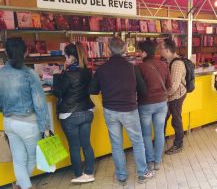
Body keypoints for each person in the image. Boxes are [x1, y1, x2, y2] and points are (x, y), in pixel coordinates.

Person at [88, 37, 154, 185]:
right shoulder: (133, 68)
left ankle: (121, 175)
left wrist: (104, 99)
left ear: (109, 49)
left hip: (110, 111)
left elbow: (92, 90)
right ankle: (142, 173)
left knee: (116, 144)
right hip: (130, 109)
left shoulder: (101, 69)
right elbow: (143, 90)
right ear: (124, 49)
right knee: (137, 142)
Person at [0, 37, 51, 189]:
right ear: (26, 52)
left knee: (18, 160)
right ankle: (25, 186)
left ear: (6, 53)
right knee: (33, 158)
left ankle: (21, 185)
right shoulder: (30, 73)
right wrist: (45, 126)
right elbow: (39, 103)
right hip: (29, 123)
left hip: (9, 122)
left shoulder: (0, 74)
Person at [52, 43, 95, 183]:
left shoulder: (67, 75)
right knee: (86, 144)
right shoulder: (87, 71)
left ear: (70, 57)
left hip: (70, 114)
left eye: (65, 56)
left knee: (75, 146)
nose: (65, 59)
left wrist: (56, 76)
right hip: (87, 111)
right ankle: (89, 172)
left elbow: (57, 92)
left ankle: (78, 175)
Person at [137, 40, 171, 171]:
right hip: (162, 103)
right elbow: (169, 85)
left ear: (144, 52)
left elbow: (138, 88)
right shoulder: (163, 64)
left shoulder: (139, 67)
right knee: (159, 133)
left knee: (146, 134)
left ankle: (150, 160)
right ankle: (158, 161)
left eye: (140, 51)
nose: (138, 53)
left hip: (145, 104)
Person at [160, 39, 187, 155]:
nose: (159, 50)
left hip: (176, 96)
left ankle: (178, 144)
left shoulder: (176, 63)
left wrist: (164, 95)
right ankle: (160, 141)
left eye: (161, 48)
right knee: (164, 118)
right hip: (171, 96)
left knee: (176, 119)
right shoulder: (169, 61)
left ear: (167, 50)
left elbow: (174, 86)